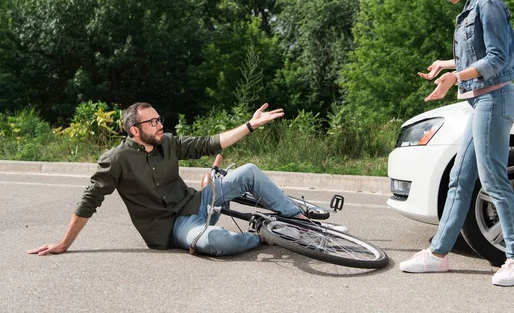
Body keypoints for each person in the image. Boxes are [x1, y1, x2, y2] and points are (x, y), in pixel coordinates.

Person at [398, 0, 514, 286]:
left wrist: (455, 77)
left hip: (495, 99)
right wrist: (449, 64)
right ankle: (438, 254)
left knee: (493, 181)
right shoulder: (473, 5)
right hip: (482, 101)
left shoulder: (489, 5)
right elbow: (480, 55)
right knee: (459, 179)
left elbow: (499, 59)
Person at [28, 102, 319, 257]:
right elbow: (88, 202)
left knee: (250, 170)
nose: (160, 125)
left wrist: (249, 125)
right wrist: (64, 244)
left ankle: (298, 219)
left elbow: (209, 142)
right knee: (216, 242)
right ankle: (262, 237)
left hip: (197, 201)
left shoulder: (168, 142)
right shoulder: (116, 160)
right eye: (152, 122)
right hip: (174, 228)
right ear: (134, 130)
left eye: (159, 119)